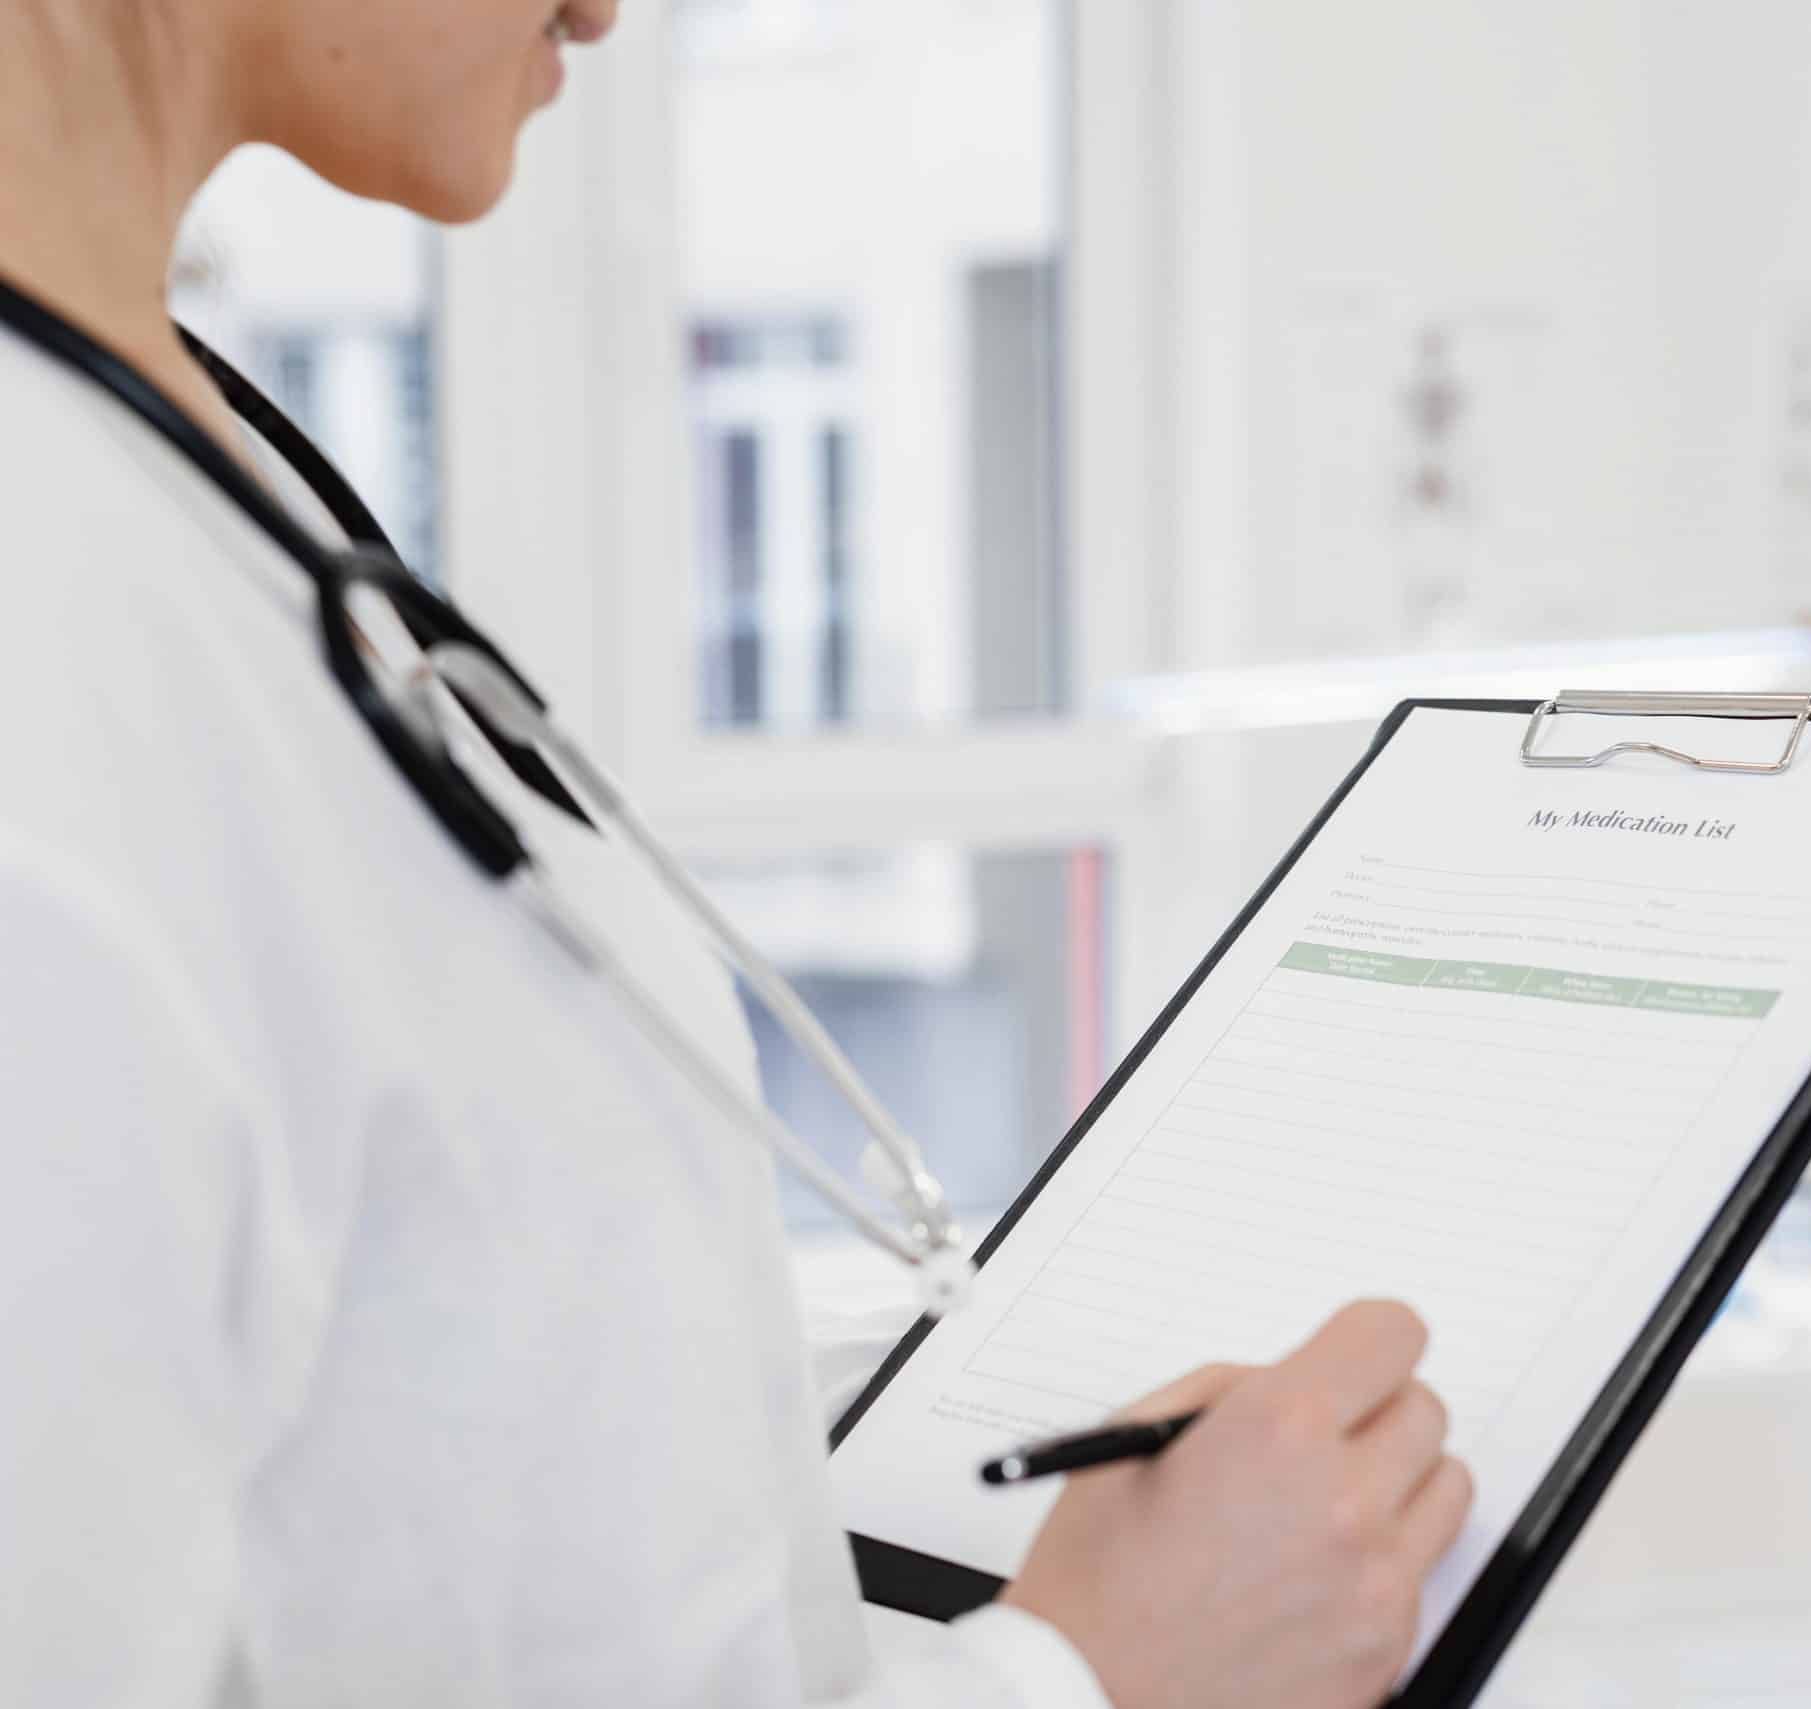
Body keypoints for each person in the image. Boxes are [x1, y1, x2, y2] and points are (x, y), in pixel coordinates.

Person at [0, 2, 1473, 1705]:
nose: (607, 9)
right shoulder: (44, 615)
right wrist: (1086, 1674)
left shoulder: (167, 446)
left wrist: (964, 1435)